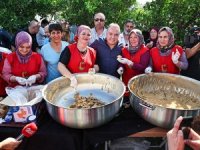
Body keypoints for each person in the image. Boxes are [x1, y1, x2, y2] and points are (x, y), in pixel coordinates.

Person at [117, 29, 149, 95]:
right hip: (126, 80)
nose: (132, 39)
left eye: (135, 37)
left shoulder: (145, 50)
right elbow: (121, 62)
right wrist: (121, 68)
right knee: (126, 100)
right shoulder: (124, 50)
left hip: (139, 82)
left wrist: (130, 63)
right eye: (131, 37)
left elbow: (143, 67)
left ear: (140, 38)